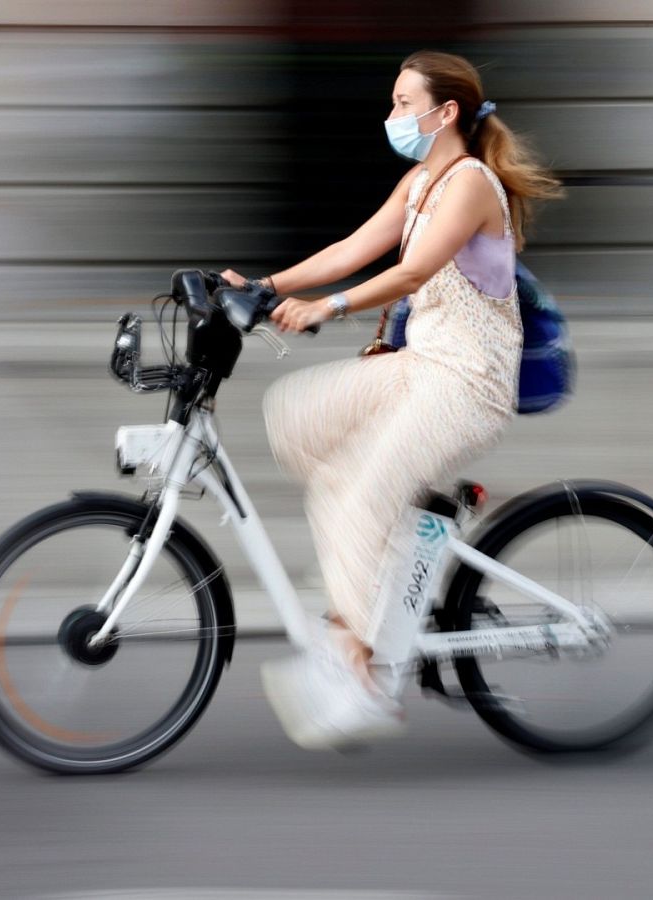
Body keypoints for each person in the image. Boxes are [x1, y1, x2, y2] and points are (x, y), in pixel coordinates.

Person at [223, 50, 564, 750]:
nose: (392, 116)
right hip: (419, 367)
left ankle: (359, 670)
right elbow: (353, 247)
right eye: (393, 102)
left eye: (404, 103)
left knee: (357, 496)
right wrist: (266, 289)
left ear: (446, 114)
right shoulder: (419, 183)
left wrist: (329, 309)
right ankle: (407, 533)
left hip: (466, 382)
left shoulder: (470, 182)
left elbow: (411, 269)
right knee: (298, 417)